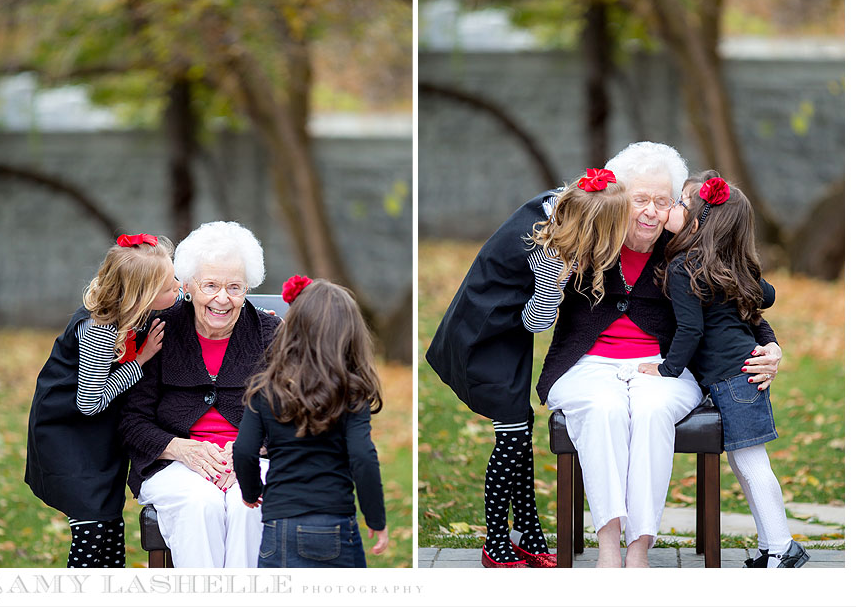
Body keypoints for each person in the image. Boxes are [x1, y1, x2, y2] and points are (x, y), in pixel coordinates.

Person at [532, 141, 783, 568]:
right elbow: (538, 318)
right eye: (640, 200)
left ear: (675, 208)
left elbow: (736, 300)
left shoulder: (684, 253)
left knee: (650, 411)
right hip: (586, 365)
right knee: (602, 407)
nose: (650, 211)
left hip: (668, 366)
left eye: (662, 202)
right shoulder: (587, 240)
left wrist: (771, 344)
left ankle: (639, 546)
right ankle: (609, 543)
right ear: (617, 201)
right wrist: (554, 273)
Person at [426, 169, 631, 567]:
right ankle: (496, 541)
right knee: (512, 439)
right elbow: (536, 321)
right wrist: (561, 281)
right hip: (483, 337)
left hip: (503, 335)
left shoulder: (559, 205)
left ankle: (529, 531)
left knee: (521, 428)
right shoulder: (551, 256)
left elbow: (585, 195)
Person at [636, 175, 808, 568]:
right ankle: (772, 545)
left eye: (680, 203)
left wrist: (667, 370)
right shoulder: (718, 263)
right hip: (737, 374)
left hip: (735, 376)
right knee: (743, 463)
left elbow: (692, 329)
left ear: (699, 220)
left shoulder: (685, 266)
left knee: (751, 463)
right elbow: (767, 294)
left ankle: (783, 547)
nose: (672, 210)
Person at [119, 221, 280, 568]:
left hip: (256, 459)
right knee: (199, 504)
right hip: (172, 461)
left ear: (247, 287)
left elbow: (293, 414)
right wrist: (180, 449)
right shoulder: (160, 330)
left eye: (234, 287)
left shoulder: (270, 333)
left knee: (249, 503)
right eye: (211, 285)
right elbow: (131, 420)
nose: (222, 298)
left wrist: (251, 449)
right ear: (189, 285)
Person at [25, 233, 179, 568]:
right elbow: (90, 403)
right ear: (144, 296)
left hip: (97, 437)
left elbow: (188, 304)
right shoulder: (99, 329)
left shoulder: (132, 310)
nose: (178, 289)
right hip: (69, 435)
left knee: (110, 528)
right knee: (92, 530)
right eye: (170, 286)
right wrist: (141, 362)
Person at [234, 276, 388, 567]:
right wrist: (375, 518)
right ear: (349, 335)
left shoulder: (265, 388)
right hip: (334, 524)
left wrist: (251, 491)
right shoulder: (351, 393)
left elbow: (243, 450)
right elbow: (363, 457)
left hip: (277, 526)